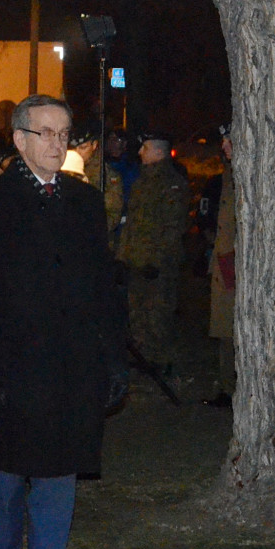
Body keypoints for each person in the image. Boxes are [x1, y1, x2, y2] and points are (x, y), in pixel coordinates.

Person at [0, 95, 127, 549]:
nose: (57, 144)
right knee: (7, 484)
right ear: (22, 139)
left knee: (58, 484)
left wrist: (111, 359)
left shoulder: (84, 201)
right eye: (46, 133)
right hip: (13, 365)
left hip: (73, 365)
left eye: (64, 133)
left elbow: (103, 286)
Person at [115, 132, 190, 372]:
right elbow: (132, 222)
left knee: (158, 312)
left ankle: (161, 358)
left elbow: (173, 226)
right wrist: (123, 256)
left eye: (144, 148)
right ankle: (144, 356)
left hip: (158, 265)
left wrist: (157, 261)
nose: (139, 153)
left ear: (158, 151)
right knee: (137, 312)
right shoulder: (142, 182)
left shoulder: (171, 182)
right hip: (137, 259)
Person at [203, 125, 235, 408]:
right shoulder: (228, 176)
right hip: (225, 263)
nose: (224, 148)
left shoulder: (242, 177)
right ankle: (227, 387)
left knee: (232, 329)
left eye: (229, 142)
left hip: (235, 266)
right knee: (226, 331)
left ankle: (232, 387)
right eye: (223, 142)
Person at [71, 127, 124, 249]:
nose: (78, 152)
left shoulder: (107, 176)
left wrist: (88, 230)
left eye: (83, 148)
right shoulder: (67, 169)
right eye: (75, 148)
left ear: (94, 145)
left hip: (94, 243)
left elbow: (112, 213)